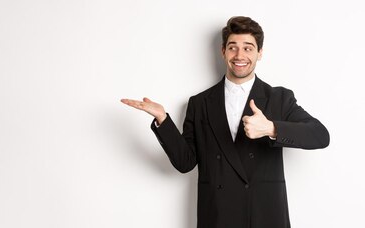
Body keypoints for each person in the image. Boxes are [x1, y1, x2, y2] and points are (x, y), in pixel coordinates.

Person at [121, 16, 329, 228]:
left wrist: (271, 128)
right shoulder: (199, 103)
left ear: (260, 53)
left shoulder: (279, 98)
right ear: (223, 51)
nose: (240, 55)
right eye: (233, 47)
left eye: (248, 48)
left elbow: (320, 135)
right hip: (218, 216)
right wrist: (163, 120)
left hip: (264, 215)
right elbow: (185, 163)